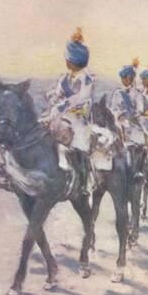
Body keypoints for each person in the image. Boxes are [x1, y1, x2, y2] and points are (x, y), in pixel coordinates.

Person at [40, 27, 94, 196]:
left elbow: (81, 98)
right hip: (60, 116)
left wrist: (62, 105)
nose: (66, 61)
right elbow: (57, 94)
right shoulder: (64, 78)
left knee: (79, 146)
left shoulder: (86, 79)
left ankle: (84, 181)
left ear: (74, 60)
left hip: (79, 119)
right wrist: (52, 98)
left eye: (68, 58)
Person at [108, 62, 146, 181]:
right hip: (120, 123)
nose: (126, 80)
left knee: (143, 144)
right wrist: (119, 115)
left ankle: (139, 170)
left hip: (133, 125)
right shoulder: (117, 93)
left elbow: (140, 109)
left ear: (132, 78)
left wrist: (132, 115)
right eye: (124, 77)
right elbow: (113, 108)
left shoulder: (137, 94)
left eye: (129, 77)